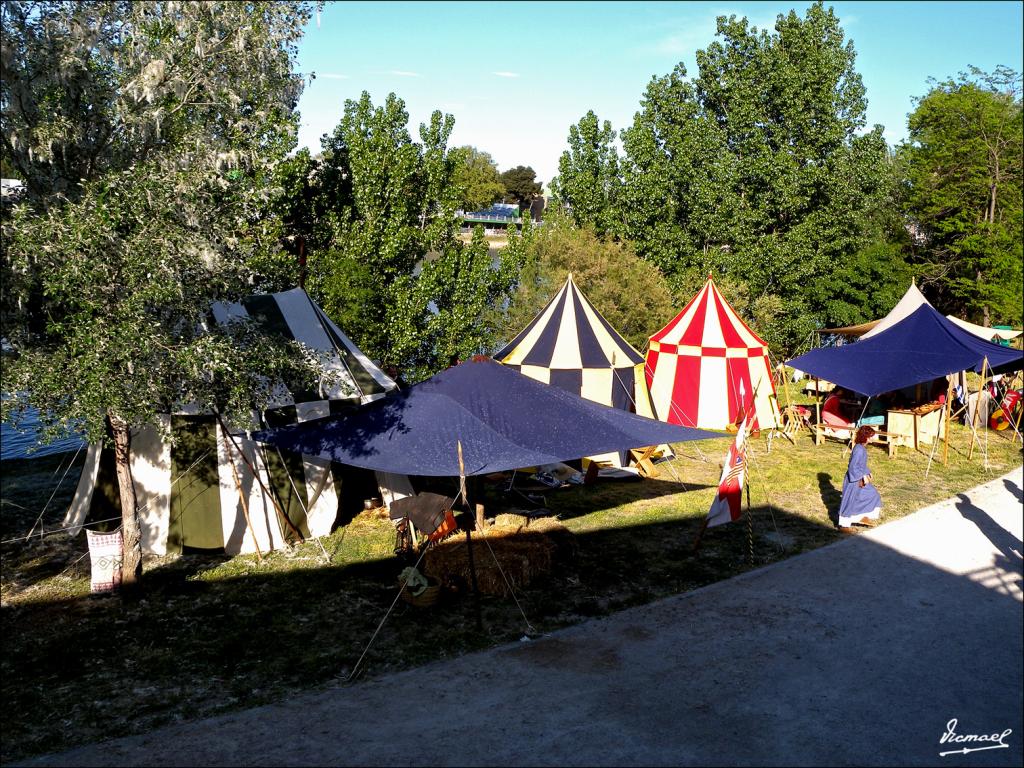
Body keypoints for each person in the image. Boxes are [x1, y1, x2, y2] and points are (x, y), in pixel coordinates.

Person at [837, 425, 882, 531]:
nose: (872, 438)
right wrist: (862, 476)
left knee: (872, 494)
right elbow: (853, 466)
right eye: (870, 436)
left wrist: (867, 472)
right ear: (865, 437)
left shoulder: (861, 448)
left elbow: (861, 464)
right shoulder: (859, 449)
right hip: (854, 480)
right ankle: (844, 526)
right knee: (850, 501)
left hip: (859, 478)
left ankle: (862, 516)